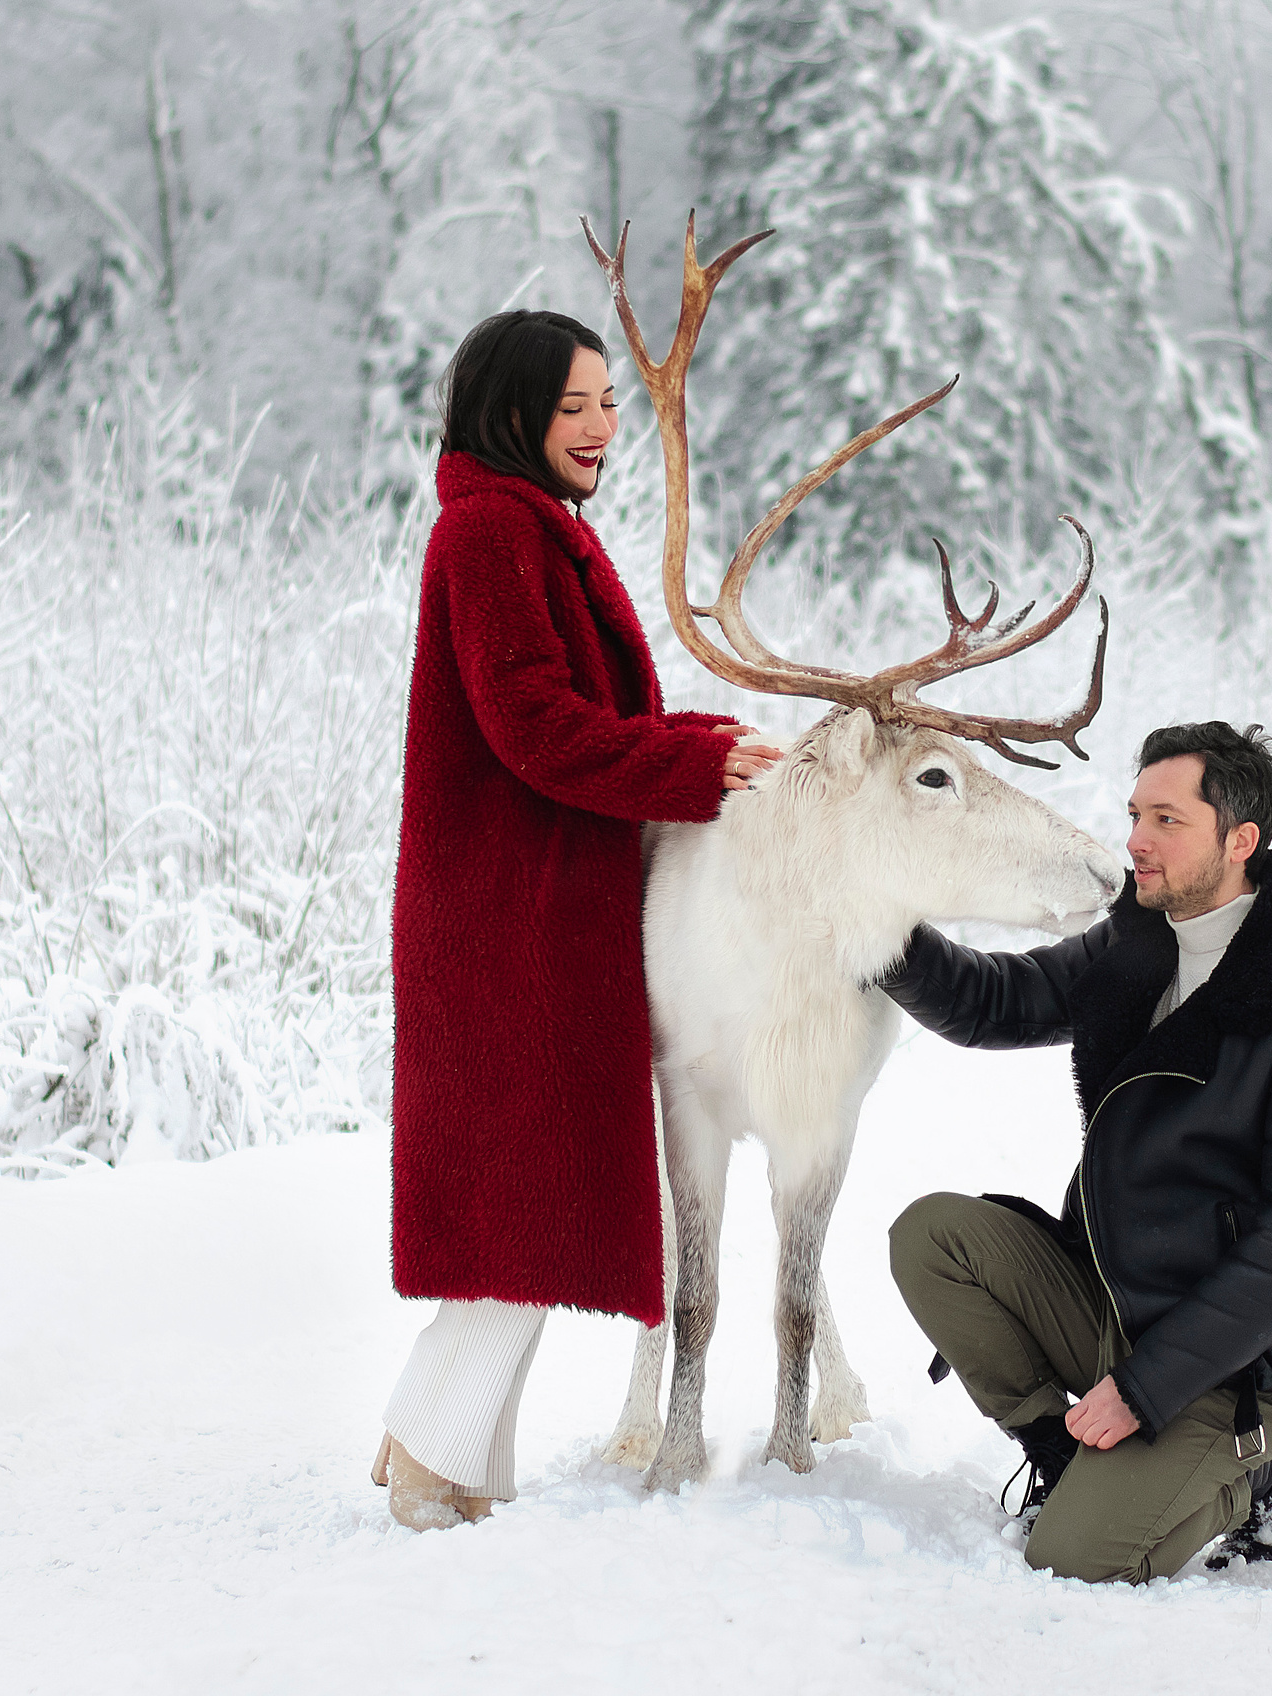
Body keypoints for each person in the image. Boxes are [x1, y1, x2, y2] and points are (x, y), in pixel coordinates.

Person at [374, 309, 784, 1530]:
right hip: (510, 925)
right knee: (519, 1217)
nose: (608, 426)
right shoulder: (494, 533)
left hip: (530, 911)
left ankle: (443, 1461)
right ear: (512, 418)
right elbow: (537, 730)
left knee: (522, 1214)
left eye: (608, 402)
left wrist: (705, 742)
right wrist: (701, 767)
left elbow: (577, 718)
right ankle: (426, 1466)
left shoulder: (527, 528)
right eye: (576, 407)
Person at [882, 721, 1272, 1582]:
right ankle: (1061, 1455)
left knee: (1075, 1557)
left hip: (1244, 1361)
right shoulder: (1141, 942)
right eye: (1134, 815)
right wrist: (870, 920)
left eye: (1165, 820)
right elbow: (990, 1003)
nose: (1134, 841)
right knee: (933, 1237)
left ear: (1240, 840)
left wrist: (1146, 1389)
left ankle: (1268, 1470)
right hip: (1122, 1298)